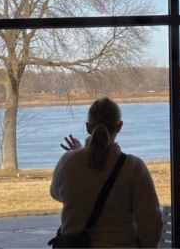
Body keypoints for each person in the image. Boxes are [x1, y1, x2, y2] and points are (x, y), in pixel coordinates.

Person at [52, 97, 163, 248]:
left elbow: (56, 194)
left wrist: (77, 153)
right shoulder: (134, 167)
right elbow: (151, 222)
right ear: (119, 126)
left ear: (88, 127)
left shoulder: (67, 161)